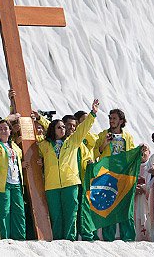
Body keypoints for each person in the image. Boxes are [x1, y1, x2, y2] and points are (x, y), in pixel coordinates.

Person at [38, 100, 99, 240]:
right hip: (51, 184)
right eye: (59, 127)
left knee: (71, 213)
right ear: (53, 129)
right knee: (56, 215)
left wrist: (93, 114)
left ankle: (69, 240)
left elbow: (83, 128)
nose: (62, 129)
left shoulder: (72, 141)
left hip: (70, 183)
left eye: (63, 128)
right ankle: (58, 240)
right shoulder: (44, 145)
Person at [95, 108, 136, 241]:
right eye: (110, 118)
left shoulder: (128, 137)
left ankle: (128, 238)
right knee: (109, 206)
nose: (111, 121)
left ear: (121, 121)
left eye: (114, 118)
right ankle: (108, 238)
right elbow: (95, 153)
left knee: (125, 207)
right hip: (107, 175)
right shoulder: (103, 135)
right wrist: (104, 143)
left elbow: (131, 156)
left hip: (123, 175)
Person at [0, 119, 26, 240]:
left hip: (16, 182)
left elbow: (17, 160)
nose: (3, 130)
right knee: (3, 212)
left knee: (19, 211)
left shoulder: (14, 147)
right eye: (0, 129)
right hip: (3, 183)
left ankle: (19, 238)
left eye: (5, 128)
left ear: (10, 131)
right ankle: (4, 238)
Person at [61, 114, 95, 241]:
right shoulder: (61, 143)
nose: (71, 128)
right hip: (67, 182)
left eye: (74, 126)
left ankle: (86, 236)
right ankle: (70, 237)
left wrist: (89, 163)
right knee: (70, 212)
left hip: (81, 181)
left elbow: (87, 157)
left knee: (83, 210)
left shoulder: (80, 143)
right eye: (69, 125)